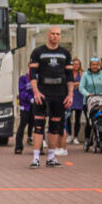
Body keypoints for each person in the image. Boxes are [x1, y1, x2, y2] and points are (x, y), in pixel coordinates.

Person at [26, 25, 76, 169]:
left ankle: (51, 158)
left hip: (59, 95)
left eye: (58, 34)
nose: (55, 36)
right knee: (38, 126)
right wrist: (36, 92)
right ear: (48, 35)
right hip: (42, 94)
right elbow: (32, 74)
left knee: (55, 126)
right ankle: (35, 158)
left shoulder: (65, 54)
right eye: (53, 33)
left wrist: (70, 95)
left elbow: (69, 76)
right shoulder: (38, 52)